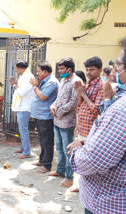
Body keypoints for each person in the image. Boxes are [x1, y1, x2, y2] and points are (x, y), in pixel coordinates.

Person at [68, 36, 126, 214]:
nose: (114, 70)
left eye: (118, 65)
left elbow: (92, 161)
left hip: (113, 203)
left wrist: (76, 151)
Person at [49, 57, 81, 188]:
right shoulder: (63, 80)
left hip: (67, 121)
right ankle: (60, 170)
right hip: (57, 119)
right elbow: (59, 97)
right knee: (59, 148)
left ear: (69, 69)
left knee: (68, 149)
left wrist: (60, 111)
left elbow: (74, 101)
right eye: (59, 68)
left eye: (62, 68)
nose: (60, 71)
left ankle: (69, 177)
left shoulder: (76, 81)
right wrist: (53, 105)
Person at [29, 61, 59, 173]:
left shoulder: (52, 82)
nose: (37, 74)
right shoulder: (44, 81)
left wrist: (35, 87)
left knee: (47, 141)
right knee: (42, 139)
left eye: (38, 71)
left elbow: (42, 96)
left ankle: (47, 165)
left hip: (46, 116)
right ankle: (42, 160)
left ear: (45, 71)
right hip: (39, 115)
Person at [9, 60, 35, 159]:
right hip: (20, 106)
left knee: (23, 130)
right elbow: (20, 88)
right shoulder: (23, 76)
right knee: (21, 129)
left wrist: (14, 85)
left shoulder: (29, 77)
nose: (16, 70)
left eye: (16, 68)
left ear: (21, 68)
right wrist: (15, 83)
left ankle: (27, 152)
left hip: (25, 107)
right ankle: (23, 147)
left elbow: (22, 92)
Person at [74, 57, 104, 141]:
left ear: (100, 70)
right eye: (87, 70)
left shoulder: (102, 86)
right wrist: (79, 92)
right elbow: (79, 107)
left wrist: (83, 94)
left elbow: (97, 110)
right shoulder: (87, 84)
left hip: (91, 131)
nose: (88, 73)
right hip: (82, 129)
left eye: (92, 70)